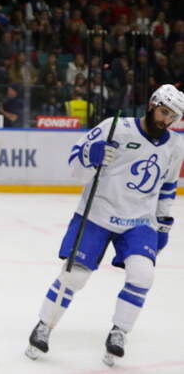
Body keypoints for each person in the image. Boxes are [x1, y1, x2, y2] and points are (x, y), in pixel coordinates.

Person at [25, 84, 184, 367]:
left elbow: (168, 187)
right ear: (151, 104)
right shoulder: (115, 127)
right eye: (163, 112)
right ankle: (44, 325)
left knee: (143, 275)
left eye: (173, 116)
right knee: (74, 276)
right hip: (97, 214)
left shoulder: (175, 145)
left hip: (139, 221)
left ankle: (119, 332)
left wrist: (163, 223)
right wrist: (91, 156)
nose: (166, 120)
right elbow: (75, 169)